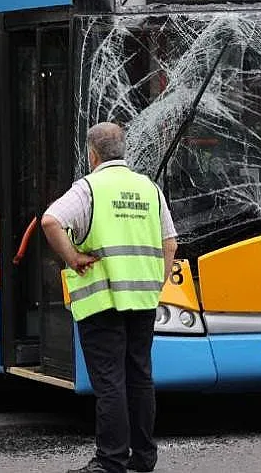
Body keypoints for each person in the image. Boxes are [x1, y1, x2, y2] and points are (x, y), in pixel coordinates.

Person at [42, 122, 178, 473]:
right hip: (144, 300)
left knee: (110, 381)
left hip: (102, 301)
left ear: (92, 154)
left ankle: (111, 459)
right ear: (123, 152)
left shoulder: (89, 188)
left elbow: (50, 221)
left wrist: (72, 258)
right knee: (139, 376)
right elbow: (170, 242)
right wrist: (156, 282)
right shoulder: (148, 188)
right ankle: (143, 456)